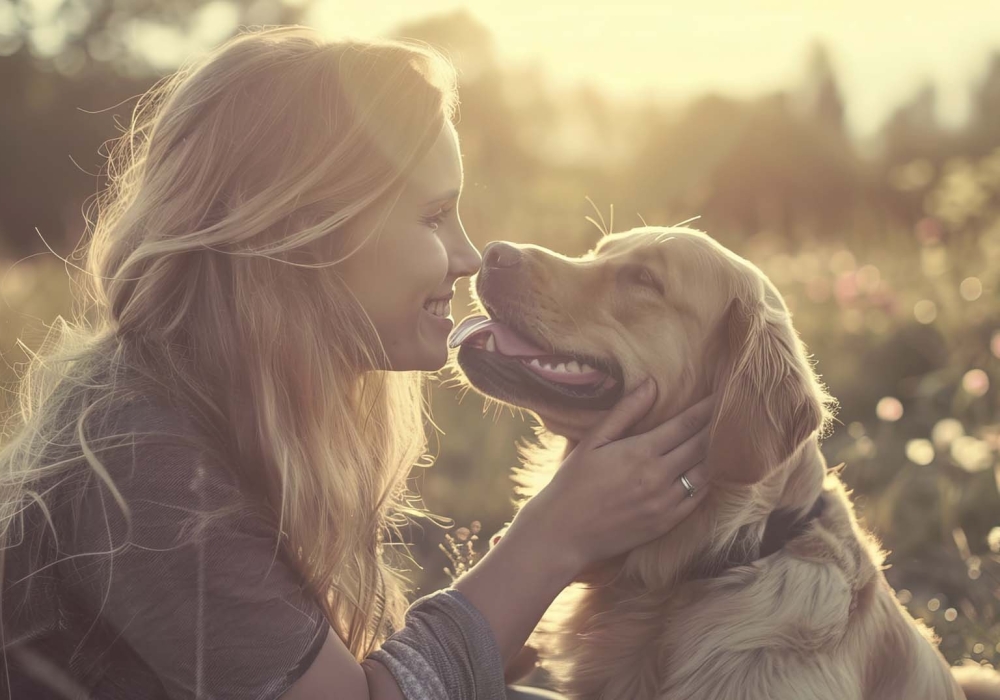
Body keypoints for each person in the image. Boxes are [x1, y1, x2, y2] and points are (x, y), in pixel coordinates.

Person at [0, 26, 712, 700]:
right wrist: (551, 540)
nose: (468, 257)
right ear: (300, 232)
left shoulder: (215, 413)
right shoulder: (142, 469)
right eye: (434, 217)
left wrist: (540, 581)